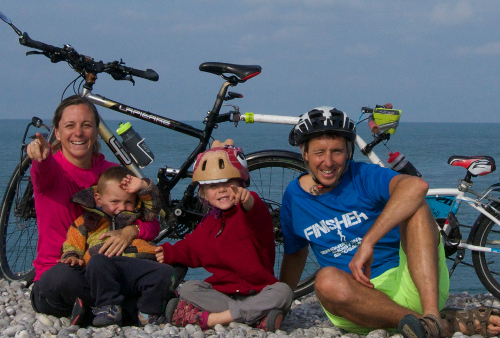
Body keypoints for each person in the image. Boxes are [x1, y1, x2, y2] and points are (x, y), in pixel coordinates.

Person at [279, 107, 500, 337]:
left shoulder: (363, 175)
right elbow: (295, 255)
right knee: (325, 281)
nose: (328, 162)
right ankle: (437, 326)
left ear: (348, 152)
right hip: (356, 306)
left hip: (413, 285)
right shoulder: (294, 198)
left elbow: (416, 187)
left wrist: (368, 242)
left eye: (337, 151)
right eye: (319, 152)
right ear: (304, 152)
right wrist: (280, 305)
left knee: (416, 206)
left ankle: (432, 318)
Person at [28, 95, 160, 325]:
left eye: (86, 125)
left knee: (165, 259)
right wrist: (40, 158)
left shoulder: (113, 174)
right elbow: (42, 171)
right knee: (60, 279)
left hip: (111, 271)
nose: (78, 132)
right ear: (57, 133)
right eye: (69, 126)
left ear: (97, 132)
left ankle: (99, 309)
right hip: (68, 272)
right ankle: (136, 308)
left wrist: (130, 232)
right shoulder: (50, 170)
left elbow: (152, 222)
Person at [155, 140, 293, 332]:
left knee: (283, 292)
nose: (221, 189)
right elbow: (190, 249)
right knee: (188, 288)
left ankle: (212, 320)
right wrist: (167, 253)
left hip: (259, 290)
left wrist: (247, 198)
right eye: (212, 186)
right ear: (203, 193)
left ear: (241, 183)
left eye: (228, 182)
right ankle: (253, 318)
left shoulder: (249, 212)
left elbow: (255, 209)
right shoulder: (208, 222)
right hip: (223, 293)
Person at [59, 166, 175, 327]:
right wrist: (71, 256)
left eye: (128, 202)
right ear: (99, 199)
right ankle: (108, 307)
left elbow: (154, 205)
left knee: (166, 271)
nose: (121, 207)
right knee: (97, 261)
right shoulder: (89, 221)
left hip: (135, 268)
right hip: (104, 272)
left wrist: (143, 187)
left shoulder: (140, 216)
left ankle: (148, 313)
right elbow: (73, 240)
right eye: (114, 201)